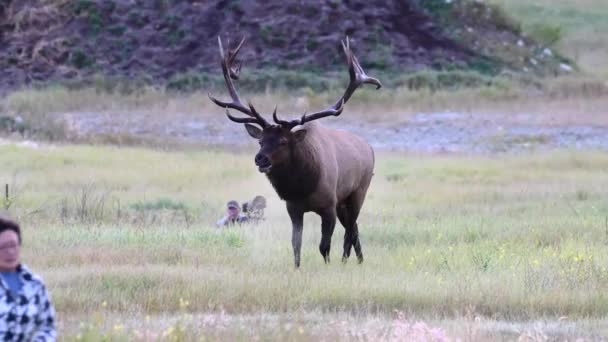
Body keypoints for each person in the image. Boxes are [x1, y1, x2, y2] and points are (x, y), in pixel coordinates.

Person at [0, 217, 56, 341]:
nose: (10, 252)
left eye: (13, 245)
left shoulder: (35, 284)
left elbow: (48, 327)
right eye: (3, 247)